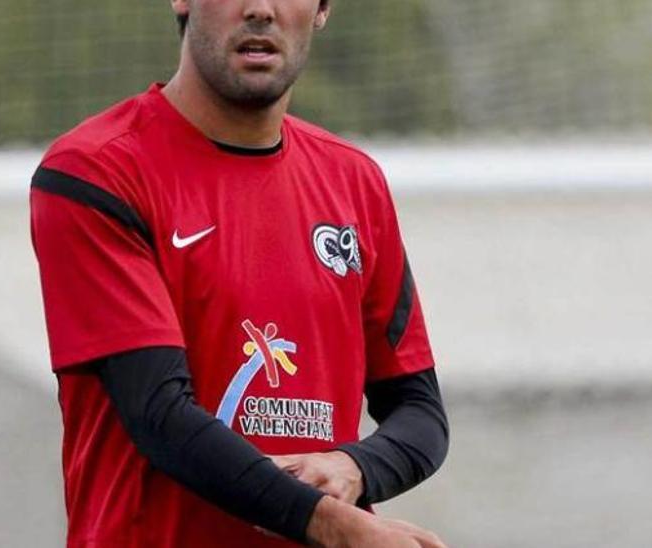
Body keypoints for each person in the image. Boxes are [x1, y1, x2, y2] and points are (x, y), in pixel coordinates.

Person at [28, 1, 448, 546]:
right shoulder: (96, 172)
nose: (260, 9)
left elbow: (420, 412)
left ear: (322, 9)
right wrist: (331, 523)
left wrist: (354, 466)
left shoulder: (355, 182)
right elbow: (160, 414)